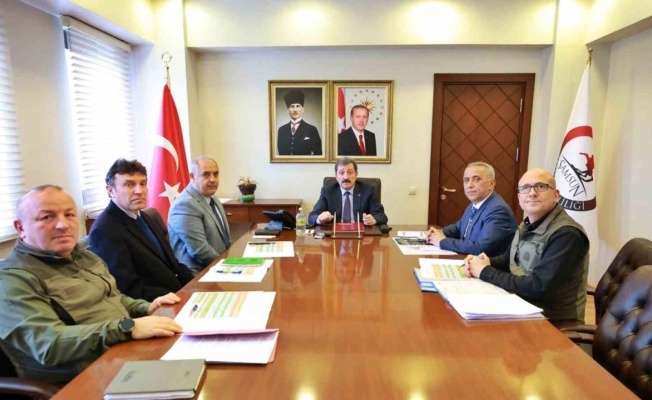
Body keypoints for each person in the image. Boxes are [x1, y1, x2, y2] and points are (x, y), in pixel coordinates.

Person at [0, 185, 182, 386]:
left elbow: (113, 297)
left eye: (69, 214)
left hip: (126, 355)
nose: (63, 225)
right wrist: (127, 327)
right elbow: (49, 345)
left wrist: (147, 307)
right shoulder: (13, 279)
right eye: (47, 217)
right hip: (83, 381)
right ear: (21, 228)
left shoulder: (84, 256)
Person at [464, 168, 589, 326]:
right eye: (525, 188)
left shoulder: (567, 234)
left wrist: (485, 272)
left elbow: (539, 287)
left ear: (556, 195)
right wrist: (483, 262)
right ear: (519, 197)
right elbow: (509, 259)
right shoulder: (527, 224)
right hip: (522, 307)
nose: (532, 193)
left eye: (541, 186)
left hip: (552, 323)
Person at [88, 159, 194, 301]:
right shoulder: (104, 230)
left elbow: (173, 264)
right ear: (111, 190)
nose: (139, 191)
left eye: (143, 183)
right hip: (157, 304)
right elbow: (127, 289)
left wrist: (196, 286)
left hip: (180, 293)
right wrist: (177, 297)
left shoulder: (146, 216)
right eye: (129, 185)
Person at [427, 162, 516, 256]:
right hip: (468, 259)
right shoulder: (475, 204)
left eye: (476, 179)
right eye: (466, 180)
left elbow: (481, 248)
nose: (469, 185)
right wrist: (438, 233)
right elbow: (458, 228)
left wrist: (443, 241)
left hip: (486, 263)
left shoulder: (498, 210)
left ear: (491, 184)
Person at [168, 156, 231, 274]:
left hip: (217, 266)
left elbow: (226, 241)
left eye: (215, 174)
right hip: (197, 274)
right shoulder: (185, 204)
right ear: (192, 177)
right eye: (206, 174)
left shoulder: (214, 199)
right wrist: (229, 266)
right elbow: (200, 251)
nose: (212, 179)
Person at [308, 157, 387, 226]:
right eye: (341, 173)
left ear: (356, 174)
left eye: (350, 172)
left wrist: (373, 220)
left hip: (361, 234)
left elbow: (381, 216)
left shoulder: (368, 190)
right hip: (335, 234)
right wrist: (320, 219)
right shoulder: (328, 192)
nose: (346, 177)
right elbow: (312, 217)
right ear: (336, 176)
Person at [277, 89, 323, 156]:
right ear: (288, 110)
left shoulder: (312, 129)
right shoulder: (282, 130)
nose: (295, 110)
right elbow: (280, 155)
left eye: (298, 106)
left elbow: (318, 154)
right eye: (292, 106)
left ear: (303, 109)